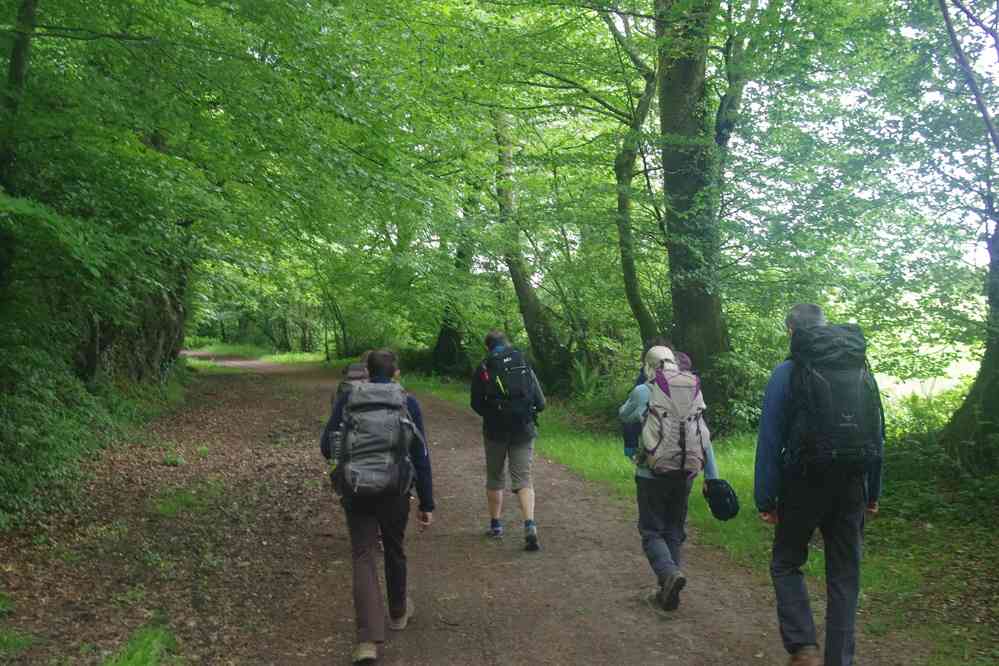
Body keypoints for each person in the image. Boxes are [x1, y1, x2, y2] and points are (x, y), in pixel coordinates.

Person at [754, 304, 884, 666]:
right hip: (852, 483)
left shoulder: (787, 372)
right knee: (845, 576)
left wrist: (765, 498)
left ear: (791, 331)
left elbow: (769, 438)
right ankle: (839, 660)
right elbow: (877, 433)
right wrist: (873, 491)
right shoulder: (860, 369)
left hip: (803, 482)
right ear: (823, 327)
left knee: (785, 562)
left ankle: (803, 646)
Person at [321, 349, 435, 664]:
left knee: (363, 554)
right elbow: (421, 457)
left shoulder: (349, 398)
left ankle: (368, 641)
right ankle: (398, 612)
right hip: (395, 489)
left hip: (356, 488)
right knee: (395, 547)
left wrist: (343, 468)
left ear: (368, 372)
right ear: (396, 372)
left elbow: (326, 443)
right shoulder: (407, 403)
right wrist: (427, 502)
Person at [619, 345, 719, 612]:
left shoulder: (644, 390)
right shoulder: (694, 387)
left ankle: (668, 575)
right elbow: (703, 433)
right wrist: (712, 475)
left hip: (651, 473)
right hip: (686, 471)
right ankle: (668, 591)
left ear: (649, 365)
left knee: (651, 531)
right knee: (674, 530)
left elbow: (623, 414)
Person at [470, 330, 546, 551]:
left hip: (495, 431)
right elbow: (540, 402)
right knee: (523, 479)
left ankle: (495, 525)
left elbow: (475, 403)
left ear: (488, 346)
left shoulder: (484, 366)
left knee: (495, 476)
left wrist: (493, 415)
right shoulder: (522, 361)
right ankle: (530, 524)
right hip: (523, 428)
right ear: (507, 342)